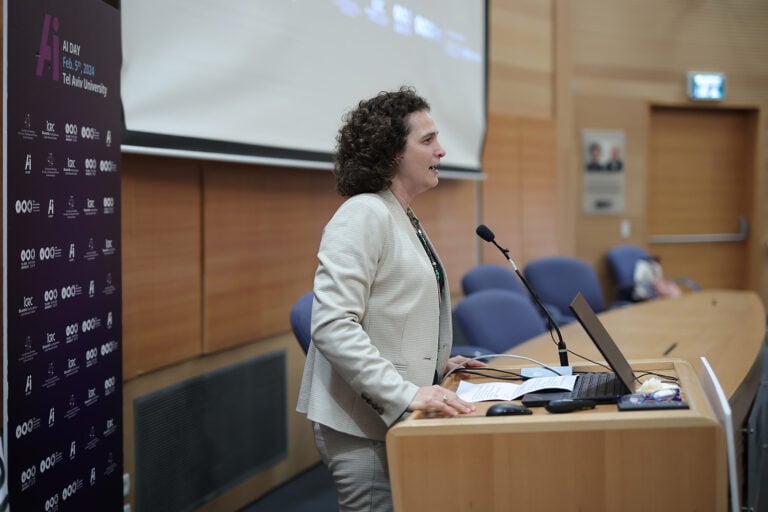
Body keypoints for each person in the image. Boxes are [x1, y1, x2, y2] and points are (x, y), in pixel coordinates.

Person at [296, 86, 486, 511]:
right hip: (362, 426)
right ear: (391, 153)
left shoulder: (399, 213)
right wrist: (404, 394)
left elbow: (392, 311)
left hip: (394, 417)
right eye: (427, 140)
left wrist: (437, 366)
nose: (441, 150)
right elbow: (331, 325)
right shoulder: (362, 214)